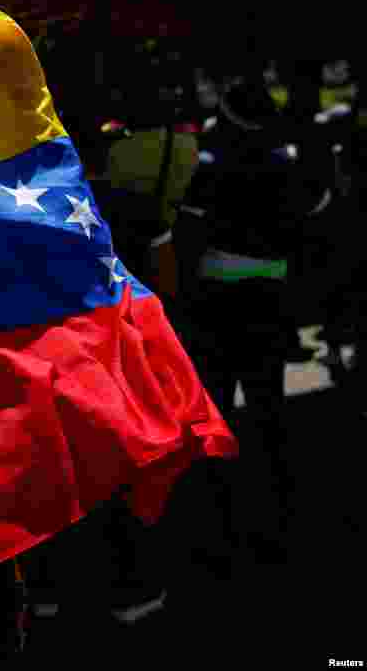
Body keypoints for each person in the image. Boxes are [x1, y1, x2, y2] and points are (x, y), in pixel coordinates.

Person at [179, 74, 331, 560]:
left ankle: (221, 516)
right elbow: (311, 219)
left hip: (217, 305)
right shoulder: (284, 167)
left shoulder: (210, 168)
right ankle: (278, 507)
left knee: (221, 406)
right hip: (269, 301)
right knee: (267, 403)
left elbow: (191, 235)